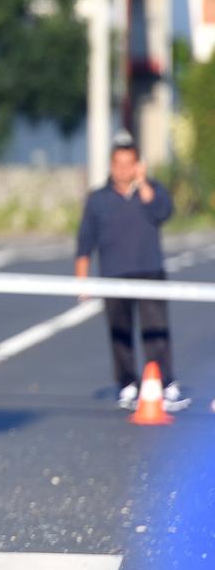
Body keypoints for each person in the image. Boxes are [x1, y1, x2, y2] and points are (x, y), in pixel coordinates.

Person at [75, 133, 187, 411]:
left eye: (129, 163)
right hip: (114, 274)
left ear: (138, 165)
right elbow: (85, 240)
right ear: (111, 165)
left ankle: (164, 382)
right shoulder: (98, 199)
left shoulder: (152, 191)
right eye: (118, 163)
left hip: (150, 271)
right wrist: (82, 280)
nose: (123, 169)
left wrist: (144, 182)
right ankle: (127, 383)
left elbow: (163, 213)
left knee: (156, 331)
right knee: (119, 331)